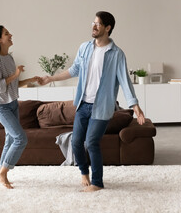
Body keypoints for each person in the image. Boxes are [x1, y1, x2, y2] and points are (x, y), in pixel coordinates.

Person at [39, 11, 145, 192]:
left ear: (108, 28)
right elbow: (73, 70)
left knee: (92, 142)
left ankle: (97, 183)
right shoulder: (85, 48)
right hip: (83, 104)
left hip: (101, 107)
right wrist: (51, 79)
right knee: (76, 142)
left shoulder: (116, 54)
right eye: (93, 23)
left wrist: (136, 107)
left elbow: (125, 81)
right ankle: (83, 172)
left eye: (97, 24)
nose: (93, 26)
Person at [0, 25, 40, 189]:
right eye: (7, 34)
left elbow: (13, 84)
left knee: (10, 139)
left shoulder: (9, 58)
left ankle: (0, 173)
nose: (10, 35)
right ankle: (3, 173)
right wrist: (16, 74)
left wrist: (30, 80)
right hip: (2, 107)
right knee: (21, 139)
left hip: (12, 103)